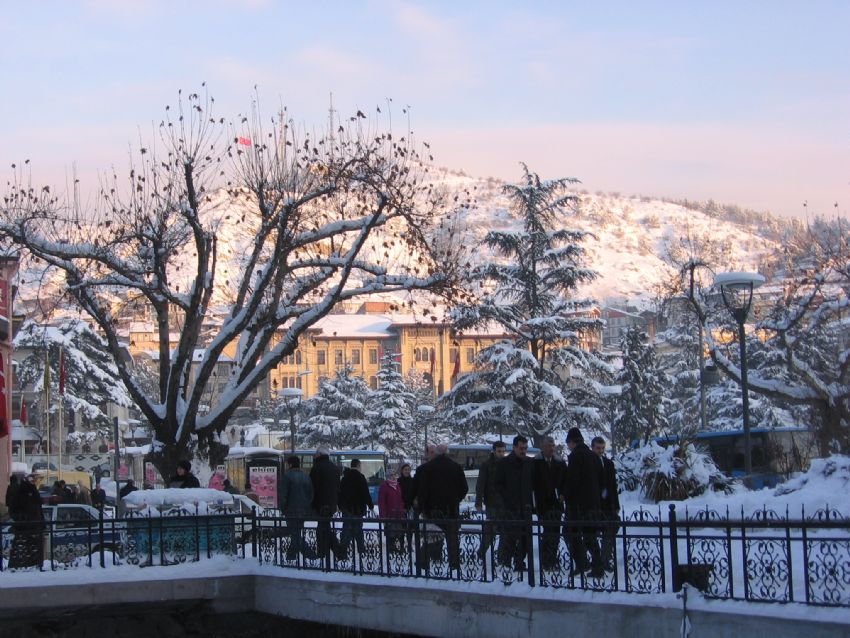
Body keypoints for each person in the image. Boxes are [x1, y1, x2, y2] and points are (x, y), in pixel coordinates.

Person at [415, 443, 467, 571]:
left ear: (436, 453)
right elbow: (464, 488)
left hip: (432, 509)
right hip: (451, 509)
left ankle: (423, 562)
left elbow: (423, 490)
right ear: (447, 453)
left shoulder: (427, 468)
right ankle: (454, 564)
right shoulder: (456, 467)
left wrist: (422, 506)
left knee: (431, 538)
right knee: (452, 539)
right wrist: (455, 500)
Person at [562, 427, 603, 577]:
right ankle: (597, 565)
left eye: (568, 443)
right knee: (590, 535)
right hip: (593, 503)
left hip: (578, 505)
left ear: (572, 442)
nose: (568, 446)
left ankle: (581, 563)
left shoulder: (575, 456)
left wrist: (565, 495)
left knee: (569, 533)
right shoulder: (593, 457)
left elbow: (572, 480)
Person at [495, 435, 534, 571]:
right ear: (515, 447)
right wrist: (505, 500)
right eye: (521, 448)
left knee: (524, 539)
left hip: (525, 507)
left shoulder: (529, 463)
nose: (523, 451)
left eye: (525, 448)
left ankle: (519, 562)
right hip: (510, 507)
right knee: (509, 537)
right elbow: (497, 484)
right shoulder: (504, 463)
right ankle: (506, 563)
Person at [533, 435, 567, 570]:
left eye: (553, 446)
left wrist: (563, 494)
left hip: (556, 503)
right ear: (543, 446)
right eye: (548, 446)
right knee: (547, 533)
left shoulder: (559, 463)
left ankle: (553, 559)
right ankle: (546, 561)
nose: (551, 448)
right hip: (543, 504)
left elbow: (564, 480)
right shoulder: (536, 463)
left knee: (556, 534)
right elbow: (533, 484)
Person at [279, 456, 317, 561]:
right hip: (304, 510)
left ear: (290, 464)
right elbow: (311, 494)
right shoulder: (306, 477)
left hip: (291, 510)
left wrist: (283, 508)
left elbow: (283, 495)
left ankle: (310, 555)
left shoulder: (287, 476)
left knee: (295, 534)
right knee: (296, 533)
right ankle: (291, 556)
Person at [592, 436, 620, 572]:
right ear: (593, 448)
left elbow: (613, 486)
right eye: (598, 448)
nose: (600, 451)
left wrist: (616, 505)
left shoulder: (608, 464)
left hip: (608, 505)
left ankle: (605, 559)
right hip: (595, 505)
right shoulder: (589, 463)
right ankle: (597, 560)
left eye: (602, 448)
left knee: (610, 532)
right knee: (594, 533)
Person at [474, 440, 507, 560]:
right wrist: (478, 501)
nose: (502, 454)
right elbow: (480, 483)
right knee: (490, 531)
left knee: (504, 530)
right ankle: (482, 552)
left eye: (503, 451)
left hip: (504, 502)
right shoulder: (487, 465)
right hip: (492, 501)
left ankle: (502, 556)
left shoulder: (506, 463)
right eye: (499, 451)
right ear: (494, 451)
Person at [310, 446, 342, 558]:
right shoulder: (335, 468)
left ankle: (327, 551)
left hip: (320, 504)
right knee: (325, 526)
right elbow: (338, 487)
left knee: (322, 529)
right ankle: (335, 551)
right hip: (332, 504)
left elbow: (313, 488)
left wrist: (312, 503)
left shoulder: (316, 468)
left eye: (315, 454)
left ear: (319, 455)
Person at [338, 459, 374, 559]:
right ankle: (361, 551)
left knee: (346, 530)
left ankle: (343, 551)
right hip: (358, 509)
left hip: (347, 508)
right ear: (358, 465)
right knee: (358, 530)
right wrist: (370, 506)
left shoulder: (345, 477)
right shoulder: (360, 477)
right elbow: (365, 493)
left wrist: (340, 506)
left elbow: (340, 493)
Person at [9, 474, 45, 568]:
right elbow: (13, 510)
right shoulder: (23, 492)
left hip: (30, 526)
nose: (33, 481)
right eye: (31, 480)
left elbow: (38, 507)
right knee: (28, 550)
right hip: (28, 527)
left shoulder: (30, 491)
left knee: (29, 550)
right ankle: (29, 566)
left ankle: (32, 565)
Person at [377, 466, 407, 555]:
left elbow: (400, 498)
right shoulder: (384, 486)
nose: (394, 477)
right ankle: (391, 548)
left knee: (401, 532)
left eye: (394, 475)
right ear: (388, 476)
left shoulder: (397, 485)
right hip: (390, 514)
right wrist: (383, 515)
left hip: (399, 513)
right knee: (391, 533)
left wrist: (402, 508)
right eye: (392, 475)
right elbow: (381, 502)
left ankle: (401, 548)